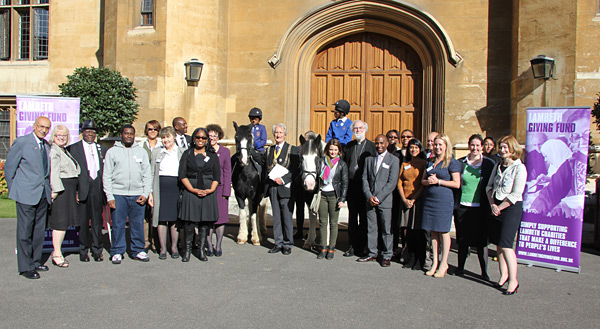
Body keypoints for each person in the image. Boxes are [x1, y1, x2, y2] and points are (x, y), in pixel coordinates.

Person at [5, 116, 52, 279]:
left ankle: (35, 261)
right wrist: (16, 191)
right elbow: (10, 169)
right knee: (25, 232)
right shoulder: (22, 142)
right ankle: (25, 267)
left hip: (42, 195)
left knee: (39, 231)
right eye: (41, 127)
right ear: (34, 126)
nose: (44, 130)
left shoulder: (46, 146)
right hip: (26, 194)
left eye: (47, 128)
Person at [103, 124, 152, 264]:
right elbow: (106, 176)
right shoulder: (112, 152)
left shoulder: (141, 152)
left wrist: (145, 193)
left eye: (131, 133)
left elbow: (147, 174)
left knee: (137, 223)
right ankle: (117, 251)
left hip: (137, 194)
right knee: (118, 224)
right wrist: (110, 197)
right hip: (118, 194)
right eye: (126, 133)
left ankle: (138, 250)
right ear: (121, 135)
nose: (129, 136)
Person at [486, 135, 526, 295]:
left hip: (510, 208)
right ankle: (503, 276)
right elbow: (489, 186)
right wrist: (492, 204)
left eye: (505, 147)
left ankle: (513, 280)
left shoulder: (519, 167)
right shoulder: (498, 165)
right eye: (501, 147)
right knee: (499, 244)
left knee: (507, 244)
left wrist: (500, 207)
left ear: (512, 149)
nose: (502, 150)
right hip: (496, 206)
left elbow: (516, 193)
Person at [453, 134, 495, 280]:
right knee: (463, 240)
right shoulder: (460, 163)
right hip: (463, 206)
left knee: (482, 242)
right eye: (472, 145)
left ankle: (484, 272)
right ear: (468, 146)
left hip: (481, 208)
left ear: (482, 147)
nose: (475, 148)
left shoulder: (489, 164)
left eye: (478, 145)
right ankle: (460, 268)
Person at [421, 134, 461, 277]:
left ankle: (444, 263)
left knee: (443, 231)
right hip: (430, 200)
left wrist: (438, 182)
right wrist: (429, 182)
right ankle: (435, 263)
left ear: (446, 146)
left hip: (443, 201)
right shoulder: (430, 161)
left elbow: (456, 184)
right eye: (436, 144)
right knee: (433, 231)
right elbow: (423, 181)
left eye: (440, 144)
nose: (437, 147)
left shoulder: (452, 162)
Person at [178, 127, 221, 262]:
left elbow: (216, 176)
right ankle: (187, 251)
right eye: (198, 137)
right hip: (191, 192)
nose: (200, 140)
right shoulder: (187, 154)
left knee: (204, 223)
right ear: (193, 138)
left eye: (203, 138)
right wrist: (192, 189)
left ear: (207, 140)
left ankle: (201, 250)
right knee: (189, 224)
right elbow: (182, 175)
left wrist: (210, 190)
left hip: (208, 193)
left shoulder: (212, 155)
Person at [68, 119, 107, 262]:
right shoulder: (73, 149)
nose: (90, 134)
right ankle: (83, 250)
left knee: (97, 222)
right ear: (82, 132)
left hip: (97, 188)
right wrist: (76, 191)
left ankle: (97, 250)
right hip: (83, 189)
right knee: (83, 223)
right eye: (87, 131)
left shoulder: (102, 149)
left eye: (93, 131)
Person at [358, 134, 400, 267]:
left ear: (387, 143)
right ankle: (372, 253)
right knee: (371, 228)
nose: (379, 146)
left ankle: (387, 254)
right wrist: (369, 195)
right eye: (377, 143)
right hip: (370, 200)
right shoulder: (369, 160)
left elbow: (392, 182)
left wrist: (378, 197)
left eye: (382, 143)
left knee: (386, 229)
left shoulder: (393, 160)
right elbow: (364, 178)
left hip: (385, 200)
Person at [47, 125, 80, 268]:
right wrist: (55, 191)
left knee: (64, 223)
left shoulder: (63, 150)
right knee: (60, 223)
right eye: (58, 135)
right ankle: (57, 253)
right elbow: (54, 173)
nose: (61, 137)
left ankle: (57, 251)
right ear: (53, 136)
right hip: (61, 191)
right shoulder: (54, 150)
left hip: (68, 191)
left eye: (64, 135)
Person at [148, 127, 184, 260]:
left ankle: (174, 247)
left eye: (168, 137)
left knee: (174, 218)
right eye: (163, 138)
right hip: (160, 188)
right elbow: (151, 173)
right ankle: (163, 248)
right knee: (161, 218)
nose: (165, 140)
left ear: (174, 137)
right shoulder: (157, 152)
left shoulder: (181, 152)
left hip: (176, 187)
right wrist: (150, 193)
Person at [342, 120, 376, 257]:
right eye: (355, 128)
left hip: (365, 189)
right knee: (352, 219)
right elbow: (344, 165)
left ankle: (362, 246)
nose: (358, 130)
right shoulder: (349, 146)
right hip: (351, 188)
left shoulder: (372, 147)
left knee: (364, 218)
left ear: (365, 129)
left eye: (360, 128)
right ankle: (352, 245)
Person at [265, 123, 300, 255]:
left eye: (280, 133)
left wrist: (284, 179)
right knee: (276, 217)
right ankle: (278, 243)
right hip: (273, 187)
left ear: (285, 134)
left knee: (286, 216)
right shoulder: (269, 150)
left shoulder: (292, 149)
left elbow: (295, 170)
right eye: (276, 133)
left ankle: (287, 243)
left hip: (286, 188)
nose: (278, 135)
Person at [397, 138, 427, 270]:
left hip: (417, 201)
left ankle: (420, 260)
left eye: (416, 147)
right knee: (408, 232)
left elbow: (422, 182)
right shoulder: (405, 163)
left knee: (418, 232)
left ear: (420, 149)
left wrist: (414, 198)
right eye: (411, 148)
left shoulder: (424, 163)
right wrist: (404, 199)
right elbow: (399, 182)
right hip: (406, 200)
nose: (413, 150)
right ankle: (410, 257)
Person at [317, 138, 348, 260]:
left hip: (335, 195)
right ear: (327, 150)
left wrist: (342, 199)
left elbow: (345, 182)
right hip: (323, 194)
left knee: (333, 223)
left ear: (339, 151)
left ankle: (331, 247)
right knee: (323, 222)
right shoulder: (321, 161)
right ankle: (323, 247)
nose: (333, 152)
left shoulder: (342, 164)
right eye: (331, 149)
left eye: (335, 150)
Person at [205, 124, 231, 257]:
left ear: (219, 137)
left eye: (215, 136)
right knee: (208, 219)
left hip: (220, 189)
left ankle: (219, 245)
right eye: (209, 136)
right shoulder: (203, 150)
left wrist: (226, 192)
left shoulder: (225, 152)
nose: (212, 138)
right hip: (207, 189)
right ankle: (209, 246)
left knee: (221, 219)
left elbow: (227, 172)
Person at [141, 119, 162, 253]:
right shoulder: (140, 146)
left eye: (155, 129)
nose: (152, 131)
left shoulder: (162, 145)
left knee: (156, 213)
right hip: (143, 182)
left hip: (157, 182)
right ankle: (145, 241)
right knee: (144, 214)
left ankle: (156, 241)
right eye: (150, 129)